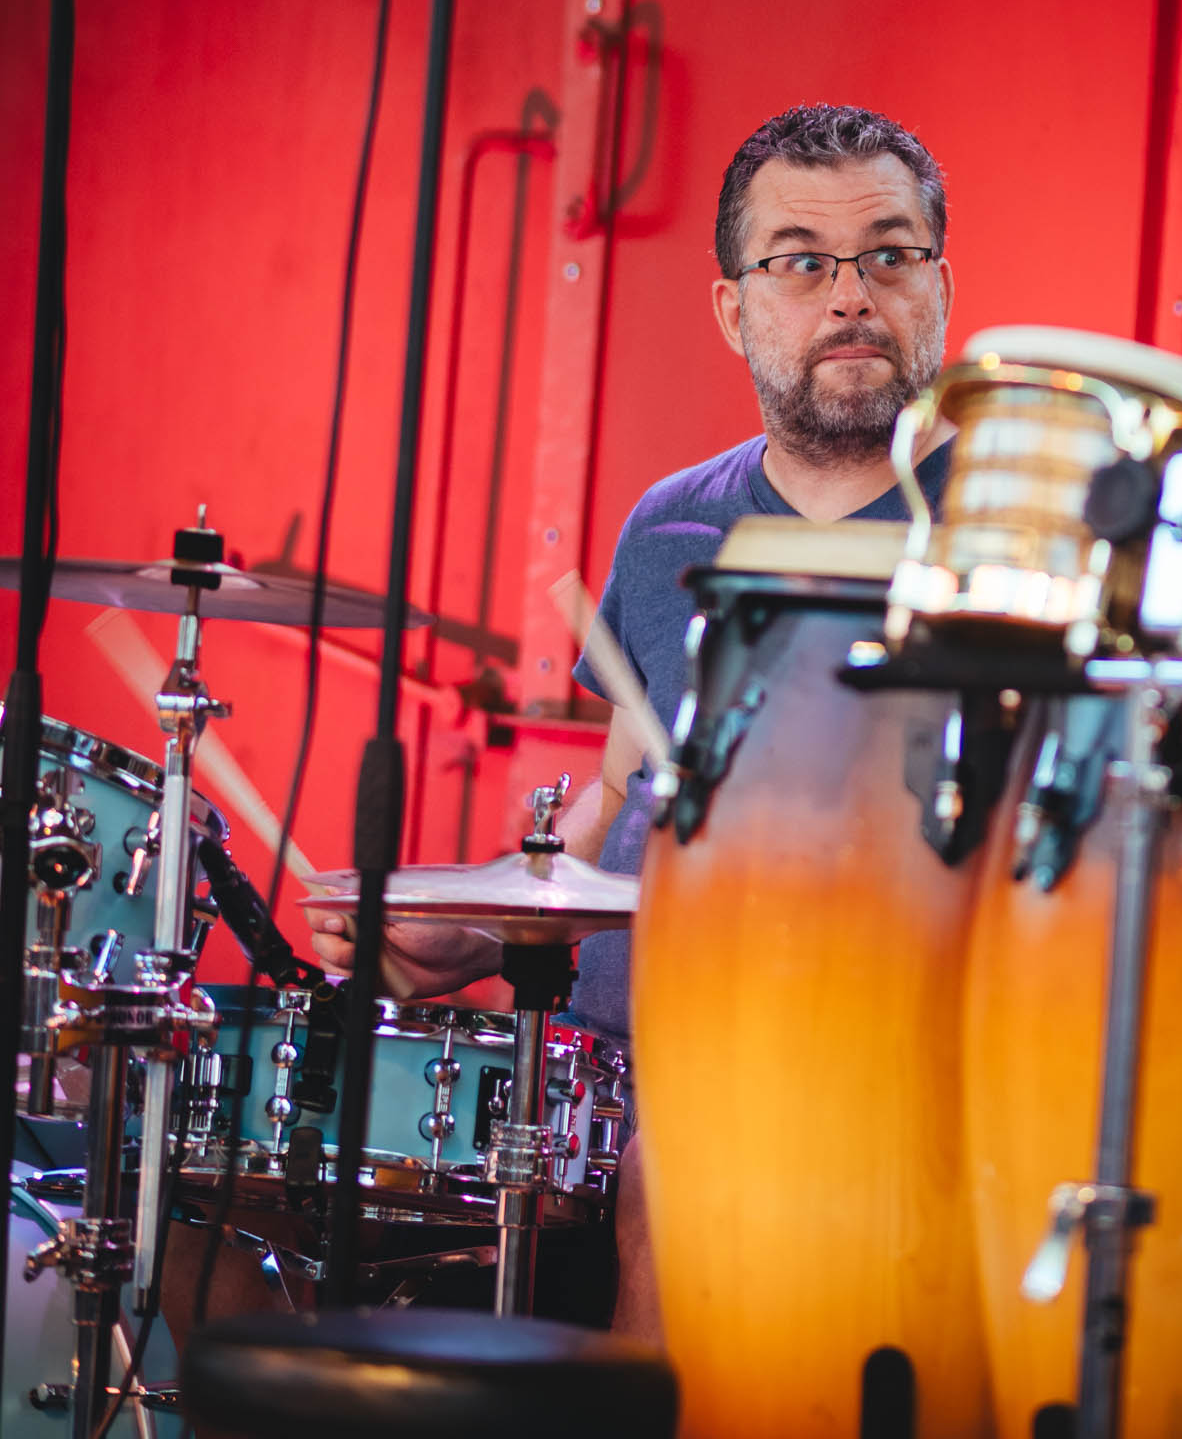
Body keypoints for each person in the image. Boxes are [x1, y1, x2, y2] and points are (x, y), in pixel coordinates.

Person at [306, 101, 959, 1330]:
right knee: (236, 1224)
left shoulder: (1010, 543)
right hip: (585, 1096)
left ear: (940, 285)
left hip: (840, 1114)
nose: (850, 295)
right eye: (800, 262)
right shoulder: (669, 527)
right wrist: (483, 929)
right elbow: (619, 803)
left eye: (889, 253)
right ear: (733, 308)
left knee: (675, 1178)